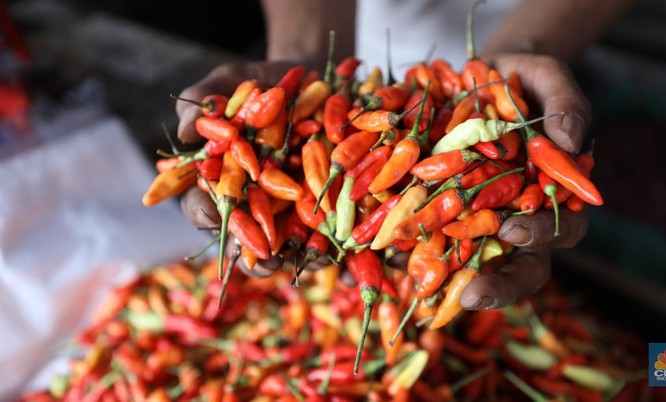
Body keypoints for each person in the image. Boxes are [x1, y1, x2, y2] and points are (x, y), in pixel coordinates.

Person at [176, 0, 632, 311]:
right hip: (374, 70)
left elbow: (397, 194)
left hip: (529, 46)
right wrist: (301, 52)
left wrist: (529, 50)